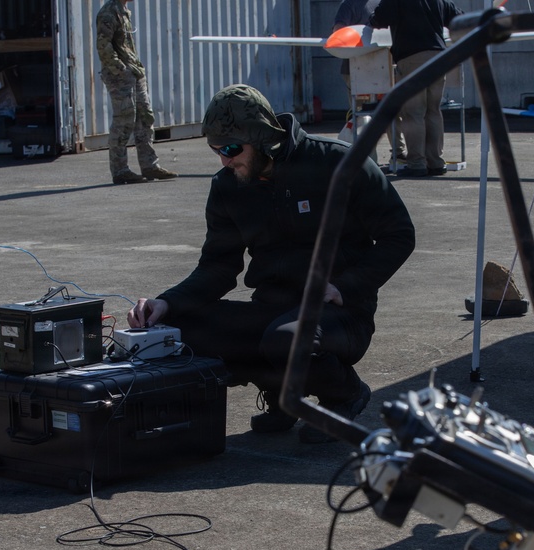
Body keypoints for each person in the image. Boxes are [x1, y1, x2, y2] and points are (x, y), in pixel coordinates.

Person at [128, 84, 415, 443]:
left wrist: (346, 286)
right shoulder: (228, 187)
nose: (224, 160)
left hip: (338, 313)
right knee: (175, 329)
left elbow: (398, 235)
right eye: (216, 150)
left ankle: (344, 394)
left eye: (231, 149)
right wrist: (165, 302)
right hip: (272, 309)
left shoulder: (336, 163)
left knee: (285, 340)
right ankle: (282, 394)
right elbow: (218, 267)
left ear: (261, 138)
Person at [370, 0, 463, 177]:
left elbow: (379, 19)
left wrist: (372, 17)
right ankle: (435, 162)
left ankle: (417, 163)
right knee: (433, 110)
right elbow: (459, 19)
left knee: (414, 112)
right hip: (439, 56)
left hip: (411, 57)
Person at [96, 0, 177, 185]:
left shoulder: (123, 11)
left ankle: (150, 166)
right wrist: (121, 70)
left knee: (144, 118)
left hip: (133, 72)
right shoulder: (109, 13)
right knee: (123, 121)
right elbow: (103, 46)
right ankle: (120, 170)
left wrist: (133, 70)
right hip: (121, 76)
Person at [332, 0, 407, 163]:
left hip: (384, 68)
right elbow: (338, 31)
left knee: (390, 110)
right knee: (360, 115)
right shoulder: (349, 4)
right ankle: (364, 156)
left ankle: (399, 152)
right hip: (354, 71)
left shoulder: (384, 3)